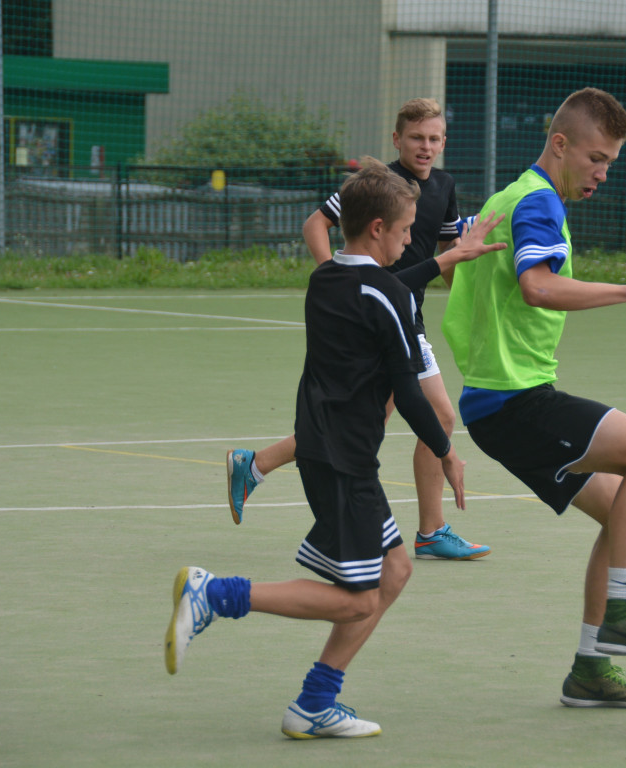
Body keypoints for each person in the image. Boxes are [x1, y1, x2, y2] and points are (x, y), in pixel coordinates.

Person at [165, 158, 505, 738]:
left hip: (324, 450)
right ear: (377, 228)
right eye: (403, 231)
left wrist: (445, 259)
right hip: (347, 463)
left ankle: (315, 703)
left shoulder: (326, 279)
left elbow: (385, 284)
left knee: (394, 572)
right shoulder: (389, 296)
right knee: (355, 601)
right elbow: (407, 389)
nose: (407, 240)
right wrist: (446, 450)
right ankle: (214, 594)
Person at [441, 88, 626, 710]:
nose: (602, 174)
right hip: (515, 401)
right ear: (560, 145)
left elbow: (460, 276)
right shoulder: (537, 202)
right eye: (596, 158)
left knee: (624, 515)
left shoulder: (504, 199)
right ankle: (625, 612)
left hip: (496, 402)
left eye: (610, 162)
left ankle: (589, 671)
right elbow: (538, 287)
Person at [227, 97, 490, 561]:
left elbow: (448, 252)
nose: (425, 147)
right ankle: (428, 530)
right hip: (380, 315)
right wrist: (341, 279)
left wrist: (467, 303)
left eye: (434, 139)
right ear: (397, 139)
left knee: (385, 418)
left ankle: (258, 464)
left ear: (445, 142)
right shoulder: (380, 185)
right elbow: (316, 223)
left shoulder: (444, 187)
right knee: (398, 418)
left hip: (406, 316)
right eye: (416, 138)